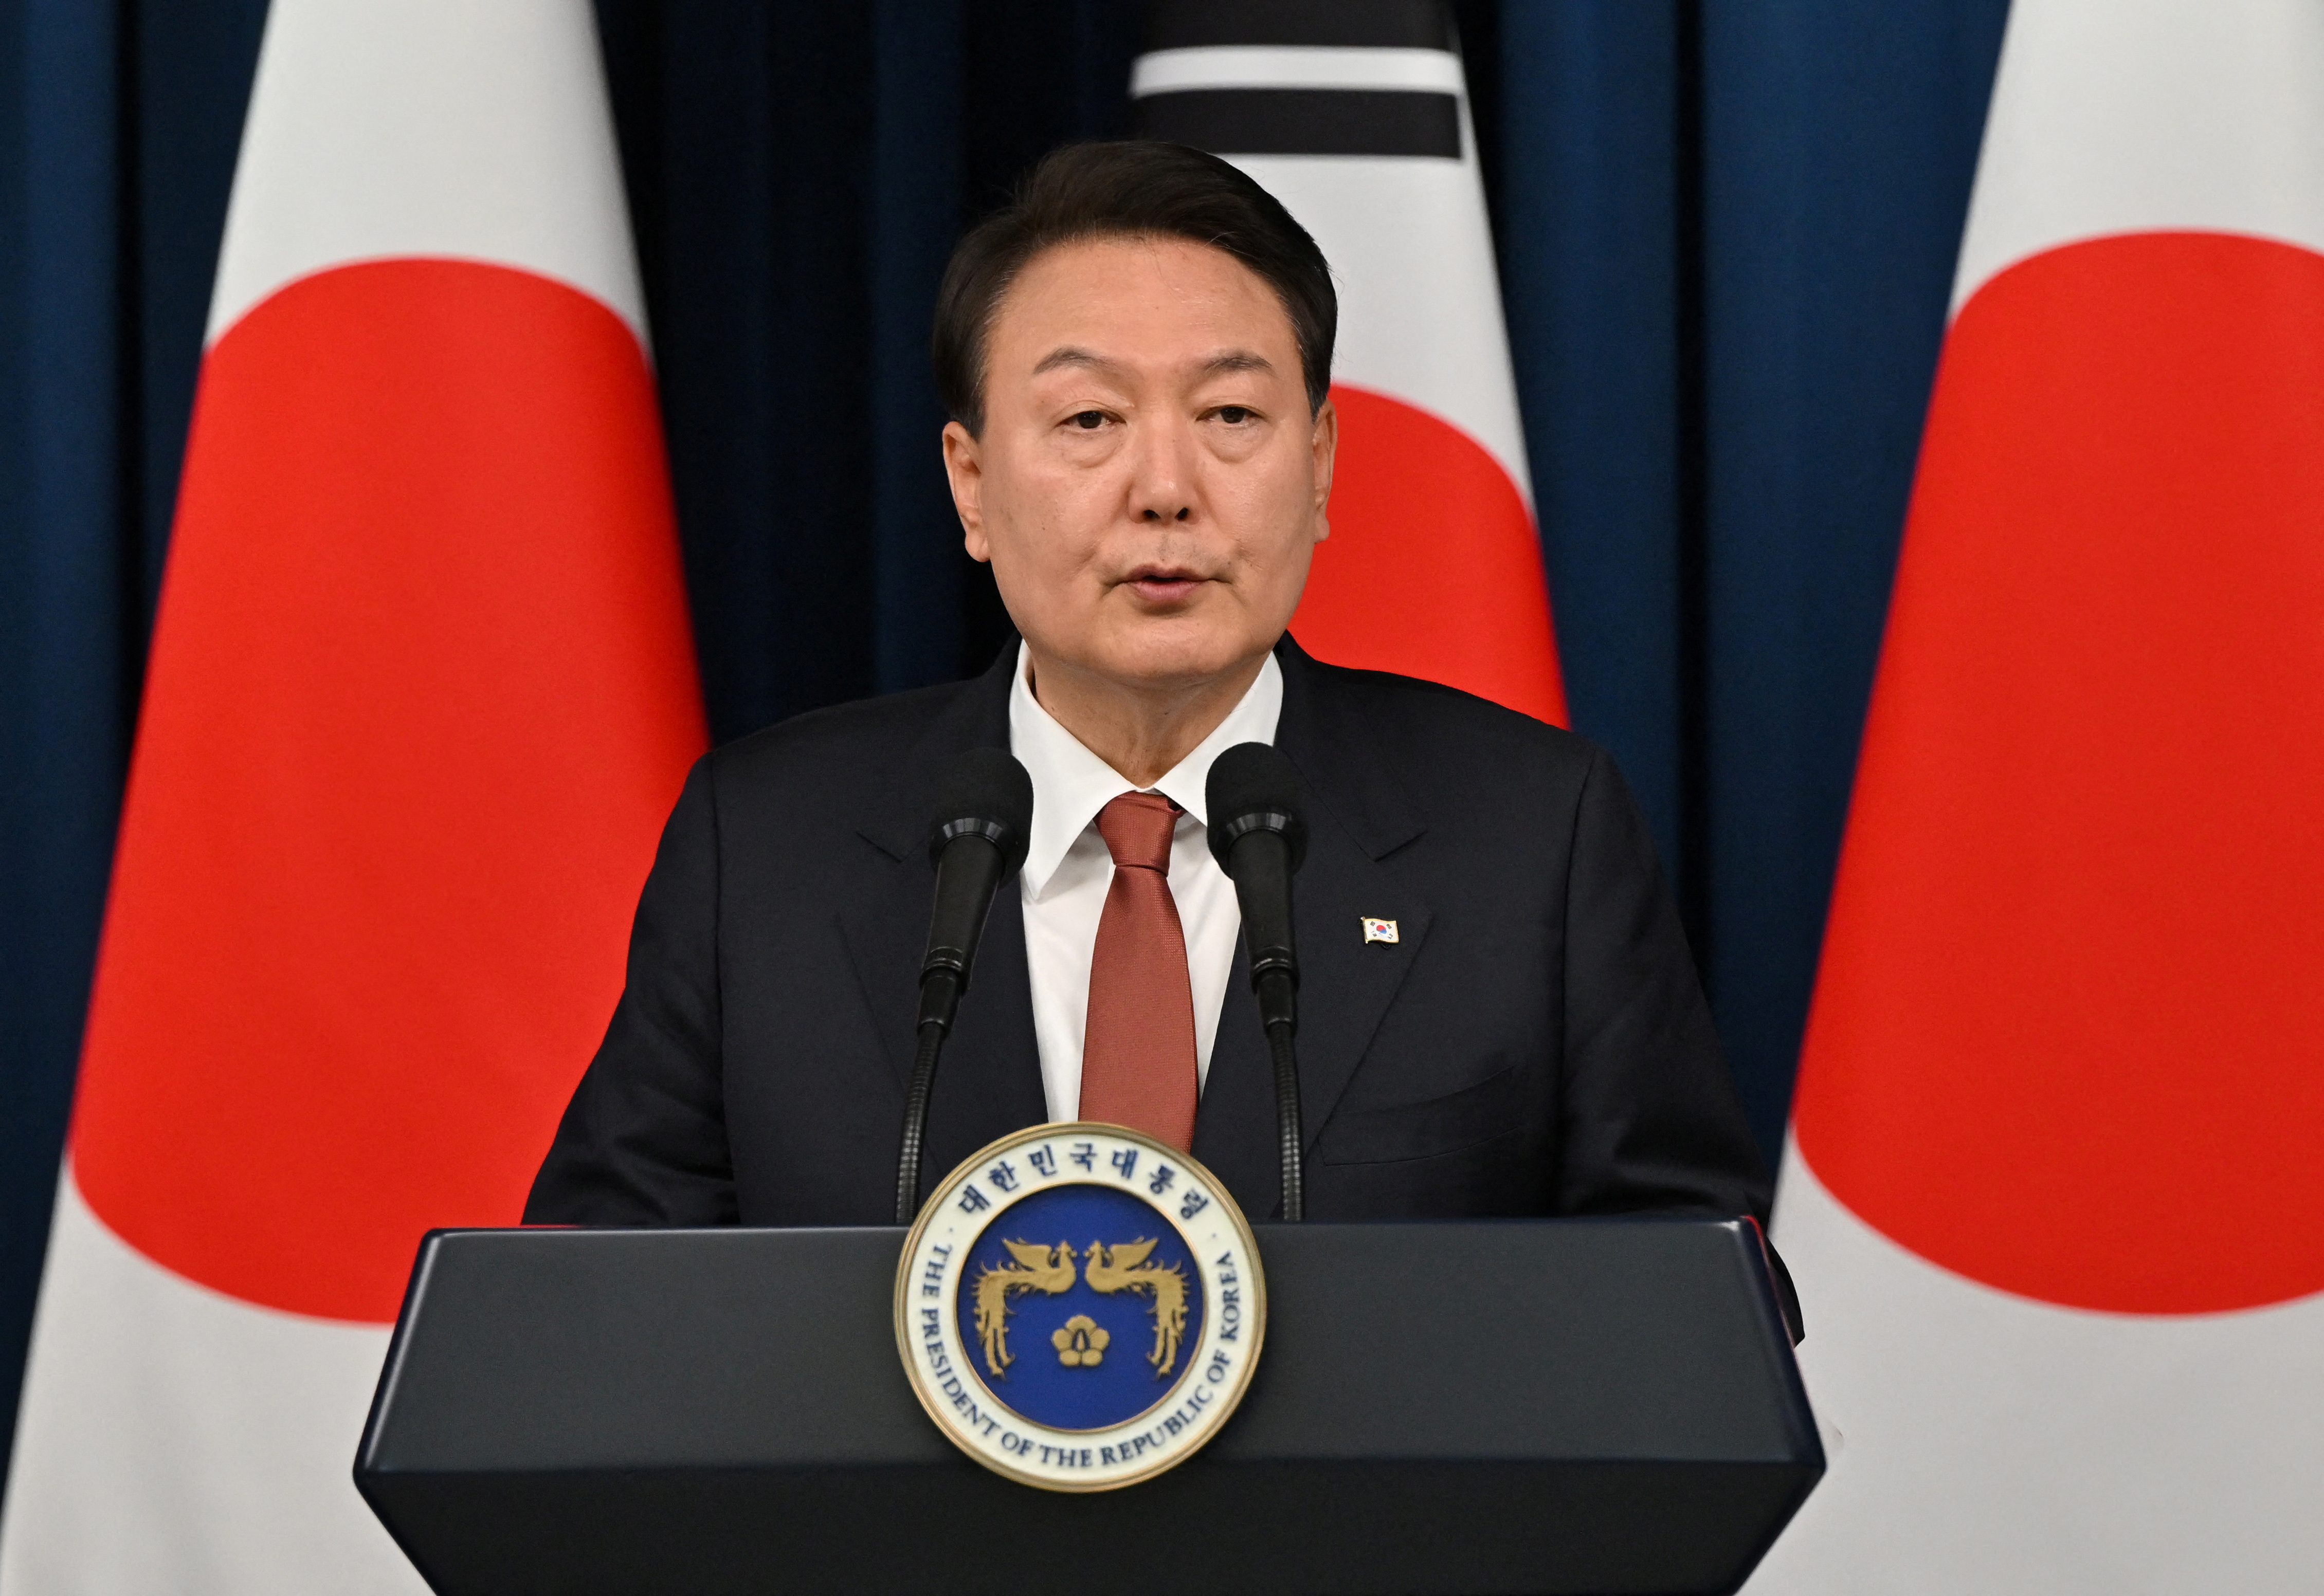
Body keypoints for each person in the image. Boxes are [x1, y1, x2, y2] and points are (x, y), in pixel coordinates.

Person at [526, 141, 1788, 1325]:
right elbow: (595, 1319)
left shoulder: (1529, 834)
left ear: (1322, 462)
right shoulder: (768, 844)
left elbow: (1698, 1314)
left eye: (1231, 416)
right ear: (971, 483)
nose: (1166, 487)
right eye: (1089, 421)